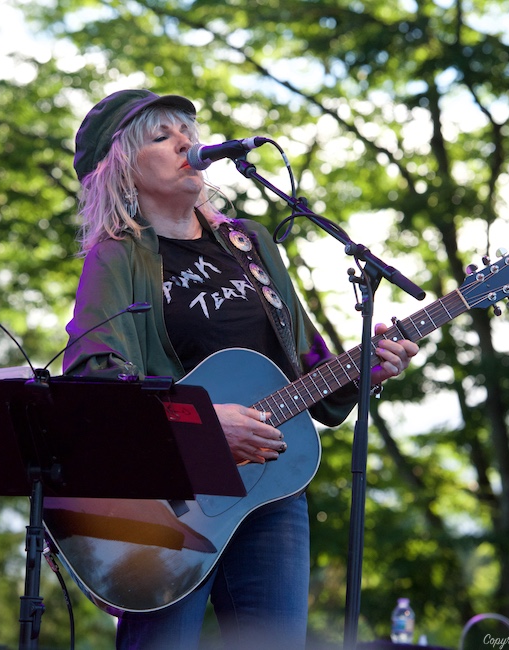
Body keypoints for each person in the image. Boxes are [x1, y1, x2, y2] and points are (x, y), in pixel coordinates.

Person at [61, 89, 419, 650]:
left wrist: (365, 370)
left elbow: (312, 374)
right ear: (122, 167)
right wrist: (198, 425)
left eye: (188, 132)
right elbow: (92, 383)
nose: (188, 142)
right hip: (165, 510)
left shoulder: (250, 243)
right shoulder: (118, 257)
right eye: (162, 137)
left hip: (268, 491)